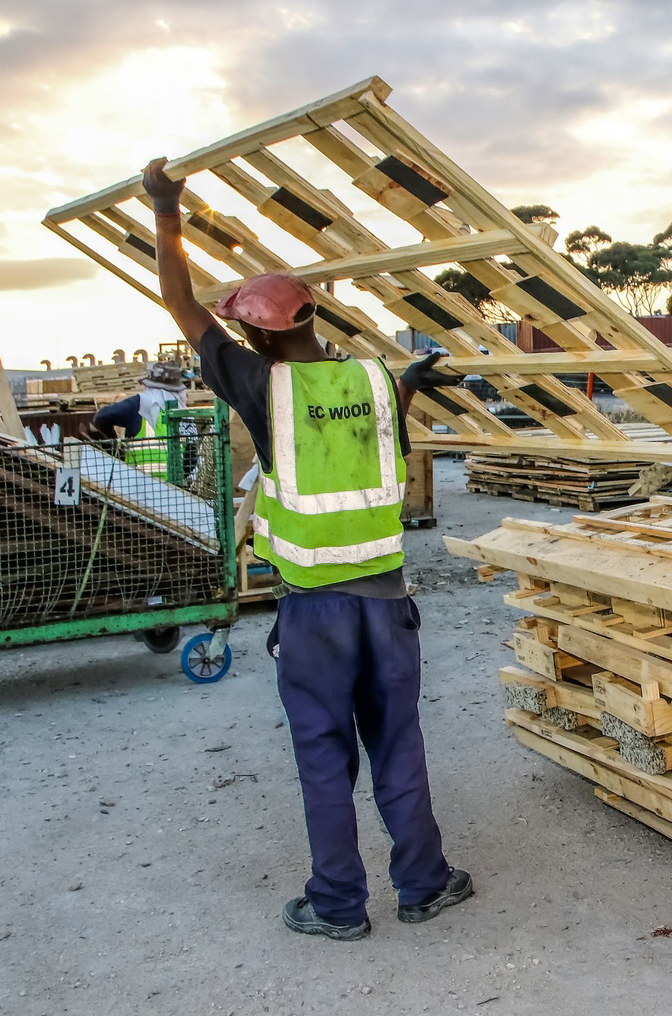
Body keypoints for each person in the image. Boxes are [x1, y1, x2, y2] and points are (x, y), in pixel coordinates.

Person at [140, 156, 471, 941]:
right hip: (389, 609)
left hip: (314, 617)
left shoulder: (260, 387)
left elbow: (181, 303)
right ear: (314, 317)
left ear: (254, 331)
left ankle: (337, 906)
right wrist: (415, 374)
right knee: (399, 747)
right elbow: (390, 416)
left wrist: (166, 209)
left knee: (324, 757)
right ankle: (424, 884)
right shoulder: (371, 380)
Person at [90, 360, 188, 478]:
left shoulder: (138, 403)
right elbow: (192, 454)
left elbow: (101, 417)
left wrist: (113, 446)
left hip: (137, 484)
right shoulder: (184, 411)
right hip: (175, 488)